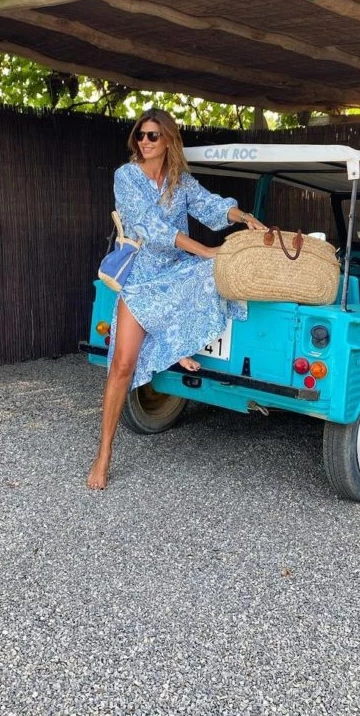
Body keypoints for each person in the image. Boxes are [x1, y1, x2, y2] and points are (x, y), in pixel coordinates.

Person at [86, 108, 266, 490]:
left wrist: (242, 215)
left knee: (218, 269)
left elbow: (210, 205)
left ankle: (174, 341)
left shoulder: (179, 180)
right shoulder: (126, 176)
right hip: (142, 275)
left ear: (168, 140)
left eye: (153, 135)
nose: (145, 142)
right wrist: (204, 249)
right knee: (121, 366)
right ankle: (104, 453)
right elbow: (150, 228)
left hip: (176, 269)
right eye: (140, 135)